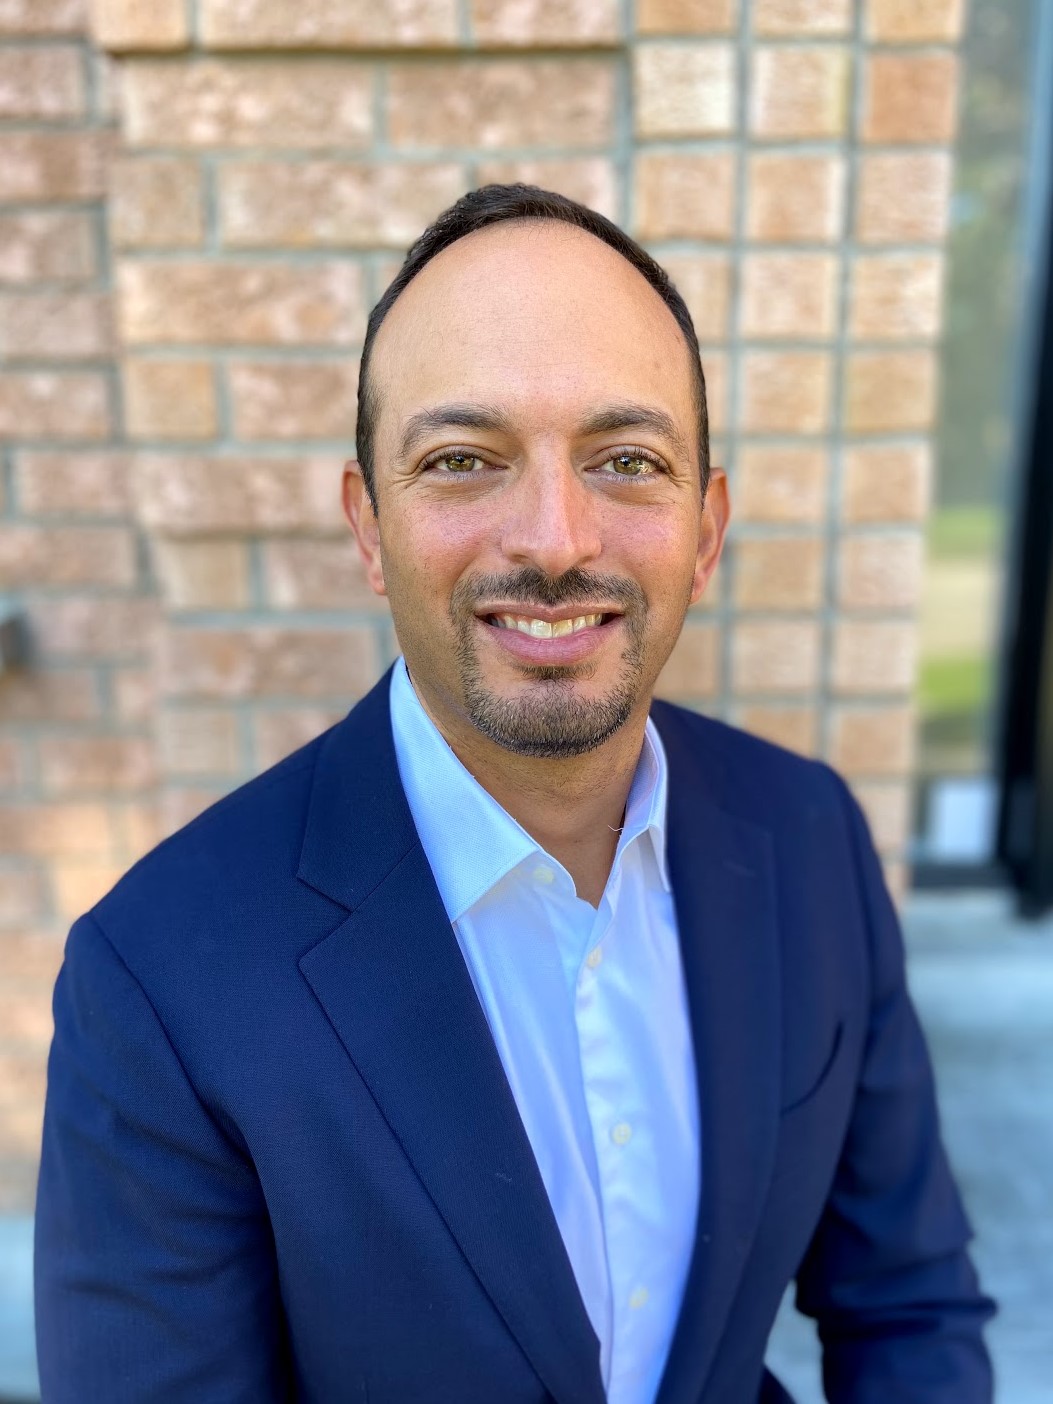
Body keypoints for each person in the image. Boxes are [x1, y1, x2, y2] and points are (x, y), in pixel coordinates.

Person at [34, 185, 994, 1404]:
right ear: (369, 525)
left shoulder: (810, 840)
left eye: (627, 459)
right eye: (464, 460)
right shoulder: (163, 977)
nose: (554, 536)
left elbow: (909, 1304)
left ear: (707, 529)